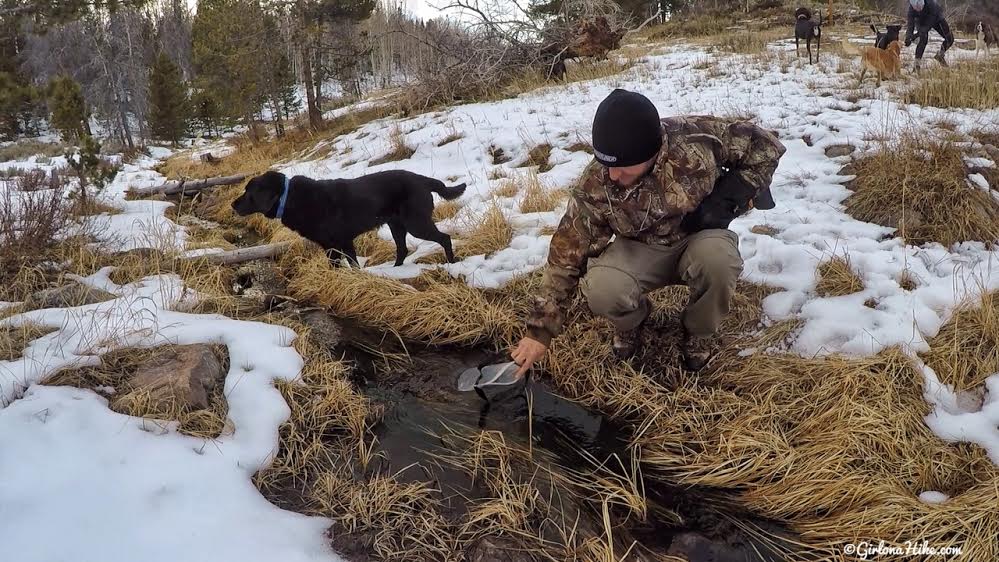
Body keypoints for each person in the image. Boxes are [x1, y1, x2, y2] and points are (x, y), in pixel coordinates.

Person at [512, 89, 785, 375]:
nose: (613, 175)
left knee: (719, 261)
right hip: (639, 249)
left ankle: (698, 331)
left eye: (623, 167)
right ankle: (634, 322)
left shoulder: (697, 139)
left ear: (653, 151)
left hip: (700, 239)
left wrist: (730, 196)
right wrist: (538, 332)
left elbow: (765, 146)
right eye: (607, 164)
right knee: (603, 289)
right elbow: (566, 254)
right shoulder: (596, 182)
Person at [904, 0, 954, 70]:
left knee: (950, 38)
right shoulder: (911, 10)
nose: (918, 10)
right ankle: (916, 66)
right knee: (923, 39)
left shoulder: (931, 4)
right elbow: (910, 25)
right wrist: (908, 37)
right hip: (921, 20)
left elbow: (929, 23)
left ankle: (940, 55)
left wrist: (919, 33)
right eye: (916, 9)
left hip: (936, 17)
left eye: (920, 7)